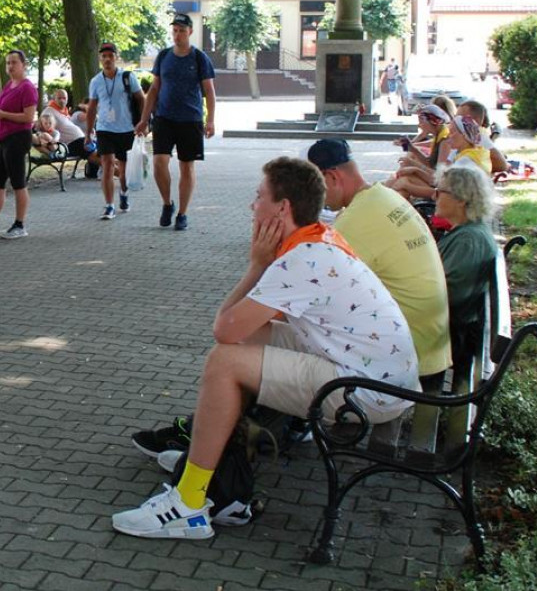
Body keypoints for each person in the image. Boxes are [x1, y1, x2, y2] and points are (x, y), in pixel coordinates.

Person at [113, 157, 419, 540]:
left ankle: (189, 504)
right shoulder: (318, 238)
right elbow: (242, 329)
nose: (251, 205)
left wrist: (256, 265)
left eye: (258, 197)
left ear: (282, 207)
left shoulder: (300, 260)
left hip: (366, 393)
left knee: (224, 361)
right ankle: (214, 462)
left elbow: (223, 328)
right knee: (247, 340)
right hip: (379, 376)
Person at [307, 139, 451, 384]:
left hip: (409, 356)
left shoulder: (353, 222)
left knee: (294, 341)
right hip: (433, 342)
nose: (315, 197)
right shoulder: (385, 197)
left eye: (315, 186)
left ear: (331, 177)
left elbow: (315, 295)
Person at [136, 13, 216, 232]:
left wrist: (210, 120)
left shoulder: (199, 58)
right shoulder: (163, 56)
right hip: (164, 118)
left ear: (190, 32)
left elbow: (209, 91)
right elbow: (154, 89)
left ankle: (182, 213)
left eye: (181, 30)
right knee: (159, 162)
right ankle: (167, 204)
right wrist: (144, 119)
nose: (177, 34)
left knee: (186, 166)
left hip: (190, 119)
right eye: (174, 30)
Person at [434, 161, 499, 369]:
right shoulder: (468, 232)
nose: (434, 196)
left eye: (440, 192)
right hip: (453, 326)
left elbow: (446, 295)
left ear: (461, 199)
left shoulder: (468, 241)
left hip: (450, 335)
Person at [0, 49, 38, 240]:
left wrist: (3, 114)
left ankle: (19, 224)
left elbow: (28, 117)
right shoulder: (9, 85)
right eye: (7, 63)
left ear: (24, 65)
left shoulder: (27, 88)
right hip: (4, 139)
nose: (10, 66)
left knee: (17, 182)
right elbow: (1, 107)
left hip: (18, 137)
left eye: (14, 62)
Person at [87, 42, 145, 220]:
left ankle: (124, 194)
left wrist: (143, 123)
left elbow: (141, 99)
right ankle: (109, 205)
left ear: (116, 57)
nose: (107, 59)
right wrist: (88, 132)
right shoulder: (96, 81)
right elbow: (91, 107)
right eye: (103, 56)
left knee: (124, 171)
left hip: (126, 129)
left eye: (110, 56)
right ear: (100, 59)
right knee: (107, 165)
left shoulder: (127, 77)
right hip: (105, 129)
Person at [457, 99, 508, 174]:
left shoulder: (479, 136)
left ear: (476, 120)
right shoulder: (456, 133)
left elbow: (502, 165)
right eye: (456, 117)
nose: (457, 121)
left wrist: (479, 169)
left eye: (462, 119)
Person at [44, 88, 86, 157]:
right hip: (69, 146)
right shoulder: (49, 111)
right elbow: (44, 129)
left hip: (79, 141)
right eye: (59, 98)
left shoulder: (64, 112)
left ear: (67, 99)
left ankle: (93, 167)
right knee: (96, 150)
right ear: (54, 99)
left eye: (64, 98)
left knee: (99, 147)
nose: (62, 100)